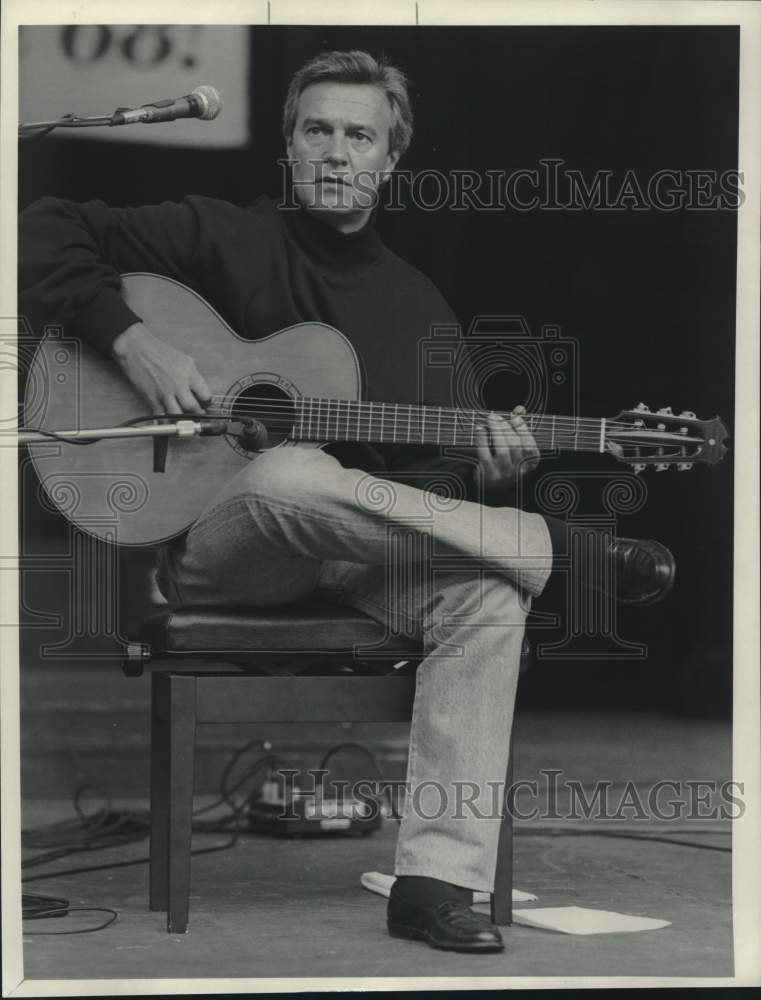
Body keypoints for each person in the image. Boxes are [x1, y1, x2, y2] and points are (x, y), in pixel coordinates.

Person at [19, 50, 674, 953]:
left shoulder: (417, 306)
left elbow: (417, 497)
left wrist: (485, 479)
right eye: (316, 130)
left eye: (357, 135)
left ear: (389, 159)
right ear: (287, 147)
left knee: (486, 592)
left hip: (347, 553)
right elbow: (37, 225)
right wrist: (131, 342)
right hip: (222, 547)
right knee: (286, 471)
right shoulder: (221, 236)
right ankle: (553, 545)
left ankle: (434, 881)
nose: (334, 151)